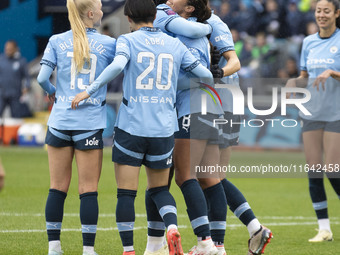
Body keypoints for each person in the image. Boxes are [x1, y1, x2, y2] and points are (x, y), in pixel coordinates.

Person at [71, 0, 215, 254]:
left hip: (131, 127)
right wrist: (171, 85)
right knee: (160, 189)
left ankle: (128, 250)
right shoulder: (175, 44)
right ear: (154, 15)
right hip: (163, 129)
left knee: (126, 194)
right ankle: (171, 227)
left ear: (128, 18)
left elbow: (117, 66)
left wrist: (88, 90)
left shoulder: (128, 40)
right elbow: (205, 76)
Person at [37, 0, 116, 254]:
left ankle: (54, 247)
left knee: (56, 187)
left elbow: (41, 78)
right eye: (101, 6)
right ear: (91, 13)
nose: (103, 10)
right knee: (88, 189)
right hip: (89, 124)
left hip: (59, 122)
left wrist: (53, 92)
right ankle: (88, 250)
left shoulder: (56, 40)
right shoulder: (108, 43)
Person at [154, 1, 227, 254]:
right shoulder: (196, 30)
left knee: (184, 176)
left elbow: (193, 77)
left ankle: (204, 241)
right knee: (211, 178)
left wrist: (164, 83)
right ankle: (219, 246)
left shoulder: (176, 28)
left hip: (189, 108)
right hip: (211, 107)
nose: (170, 1)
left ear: (188, 10)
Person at [207, 11, 273, 255]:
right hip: (222, 104)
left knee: (208, 177)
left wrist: (217, 75)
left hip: (221, 105)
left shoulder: (212, 23)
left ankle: (215, 245)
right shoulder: (197, 23)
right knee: (214, 177)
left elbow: (234, 62)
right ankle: (254, 229)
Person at [285, 0, 340, 243]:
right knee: (314, 171)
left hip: (336, 114)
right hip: (312, 114)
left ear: (337, 13)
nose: (322, 15)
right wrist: (293, 82)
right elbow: (305, 76)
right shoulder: (308, 42)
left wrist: (333, 73)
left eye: (326, 11)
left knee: (333, 170)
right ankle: (324, 229)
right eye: (318, 11)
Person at [0, 40, 31, 119]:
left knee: (16, 118)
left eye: (10, 49)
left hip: (15, 95)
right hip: (2, 94)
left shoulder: (21, 61)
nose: (8, 51)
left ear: (15, 49)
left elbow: (27, 77)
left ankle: (14, 132)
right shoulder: (1, 60)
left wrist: (26, 86)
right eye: (6, 49)